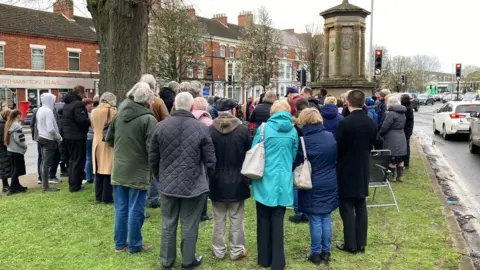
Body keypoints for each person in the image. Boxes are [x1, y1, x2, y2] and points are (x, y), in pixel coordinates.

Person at [149, 92, 216, 269]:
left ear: (175, 106)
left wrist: (159, 177)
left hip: (169, 182)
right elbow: (210, 160)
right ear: (192, 107)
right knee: (189, 223)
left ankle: (167, 261)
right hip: (193, 183)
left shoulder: (161, 126)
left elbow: (153, 158)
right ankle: (187, 260)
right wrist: (208, 179)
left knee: (168, 223)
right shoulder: (201, 128)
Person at [106, 82, 157, 254]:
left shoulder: (119, 116)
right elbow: (153, 148)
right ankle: (135, 244)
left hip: (119, 167)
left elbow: (109, 138)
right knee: (136, 208)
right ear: (148, 101)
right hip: (138, 169)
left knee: (121, 208)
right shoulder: (149, 119)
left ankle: (120, 244)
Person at [252, 100, 298, 270]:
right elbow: (293, 156)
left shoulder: (263, 129)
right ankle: (278, 261)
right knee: (278, 221)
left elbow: (254, 150)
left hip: (264, 179)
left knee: (263, 219)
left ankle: (264, 258)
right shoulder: (293, 130)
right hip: (283, 179)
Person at [294, 108, 338, 264]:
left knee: (315, 218)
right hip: (330, 180)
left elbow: (296, 162)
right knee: (326, 217)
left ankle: (315, 252)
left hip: (312, 182)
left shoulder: (303, 141)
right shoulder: (330, 136)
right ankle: (326, 251)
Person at [209, 98, 251, 260]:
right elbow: (249, 152)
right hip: (238, 178)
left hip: (217, 180)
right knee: (236, 217)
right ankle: (236, 249)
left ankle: (219, 250)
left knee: (218, 218)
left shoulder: (210, 130)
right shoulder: (243, 130)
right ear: (233, 111)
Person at [336, 89, 377, 254]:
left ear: (348, 102)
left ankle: (350, 244)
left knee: (346, 207)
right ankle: (361, 243)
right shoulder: (371, 123)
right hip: (363, 167)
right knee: (361, 205)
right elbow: (375, 143)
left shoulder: (345, 123)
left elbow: (338, 146)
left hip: (346, 168)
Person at [62, 85, 90, 192]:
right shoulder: (78, 104)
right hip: (77, 136)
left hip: (68, 136)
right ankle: (75, 185)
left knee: (72, 161)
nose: (84, 96)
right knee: (78, 161)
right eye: (83, 94)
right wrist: (90, 120)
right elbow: (81, 120)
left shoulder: (67, 104)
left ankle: (73, 183)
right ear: (80, 93)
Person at [91, 92, 117, 203]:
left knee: (98, 170)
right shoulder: (113, 111)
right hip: (107, 142)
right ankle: (107, 197)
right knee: (108, 169)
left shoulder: (93, 111)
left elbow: (93, 126)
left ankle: (98, 195)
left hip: (96, 142)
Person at [192, 96, 213, 220]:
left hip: (190, 155)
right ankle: (202, 212)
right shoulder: (209, 122)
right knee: (204, 183)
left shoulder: (188, 119)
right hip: (204, 156)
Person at [289, 98, 309, 224]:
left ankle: (298, 212)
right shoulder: (311, 121)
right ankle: (306, 212)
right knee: (307, 183)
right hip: (309, 154)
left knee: (296, 185)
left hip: (297, 154)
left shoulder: (293, 123)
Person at [37, 93, 63, 192]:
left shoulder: (40, 110)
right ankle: (45, 187)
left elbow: (39, 125)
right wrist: (58, 137)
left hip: (41, 137)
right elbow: (50, 128)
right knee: (46, 163)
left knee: (44, 162)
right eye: (53, 100)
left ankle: (45, 185)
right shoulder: (48, 111)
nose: (54, 102)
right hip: (48, 139)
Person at [379, 95, 407, 182]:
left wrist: (380, 134)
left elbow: (385, 126)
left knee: (392, 158)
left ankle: (392, 176)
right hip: (401, 135)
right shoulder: (403, 113)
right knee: (400, 157)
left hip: (391, 137)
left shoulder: (391, 113)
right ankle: (400, 176)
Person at [4, 110, 27, 195]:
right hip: (17, 151)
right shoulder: (17, 126)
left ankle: (17, 186)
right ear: (17, 115)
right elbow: (19, 140)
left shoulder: (8, 124)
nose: (21, 117)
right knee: (16, 170)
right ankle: (13, 187)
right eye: (20, 115)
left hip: (10, 150)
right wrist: (25, 146)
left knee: (14, 169)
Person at [0, 109, 12, 193]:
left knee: (4, 167)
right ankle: (5, 186)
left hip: (3, 148)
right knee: (4, 167)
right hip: (2, 149)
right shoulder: (2, 125)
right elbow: (2, 138)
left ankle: (6, 185)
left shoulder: (4, 124)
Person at [401, 94, 414, 170]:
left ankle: (406, 164)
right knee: (405, 147)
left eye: (402, 99)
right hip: (406, 130)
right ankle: (405, 163)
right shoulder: (407, 107)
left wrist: (408, 132)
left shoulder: (407, 109)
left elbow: (409, 121)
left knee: (406, 147)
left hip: (406, 131)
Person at [84, 98, 94, 184]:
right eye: (91, 105)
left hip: (87, 137)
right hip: (90, 137)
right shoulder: (89, 115)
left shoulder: (85, 114)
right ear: (87, 105)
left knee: (88, 157)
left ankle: (88, 175)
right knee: (90, 157)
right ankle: (89, 176)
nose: (92, 107)